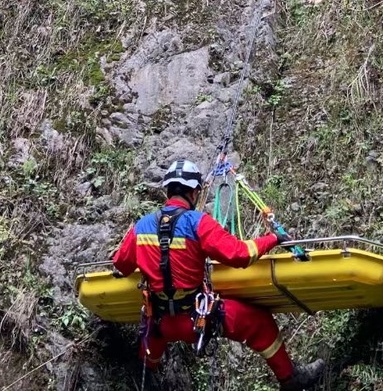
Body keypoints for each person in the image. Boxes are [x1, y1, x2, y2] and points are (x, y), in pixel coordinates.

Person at [112, 160, 326, 391]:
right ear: (194, 192)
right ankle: (290, 379)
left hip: (161, 324)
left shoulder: (141, 227)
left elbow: (120, 266)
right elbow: (240, 255)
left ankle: (146, 377)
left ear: (168, 190)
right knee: (260, 323)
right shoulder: (198, 223)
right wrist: (273, 238)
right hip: (196, 319)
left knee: (150, 332)